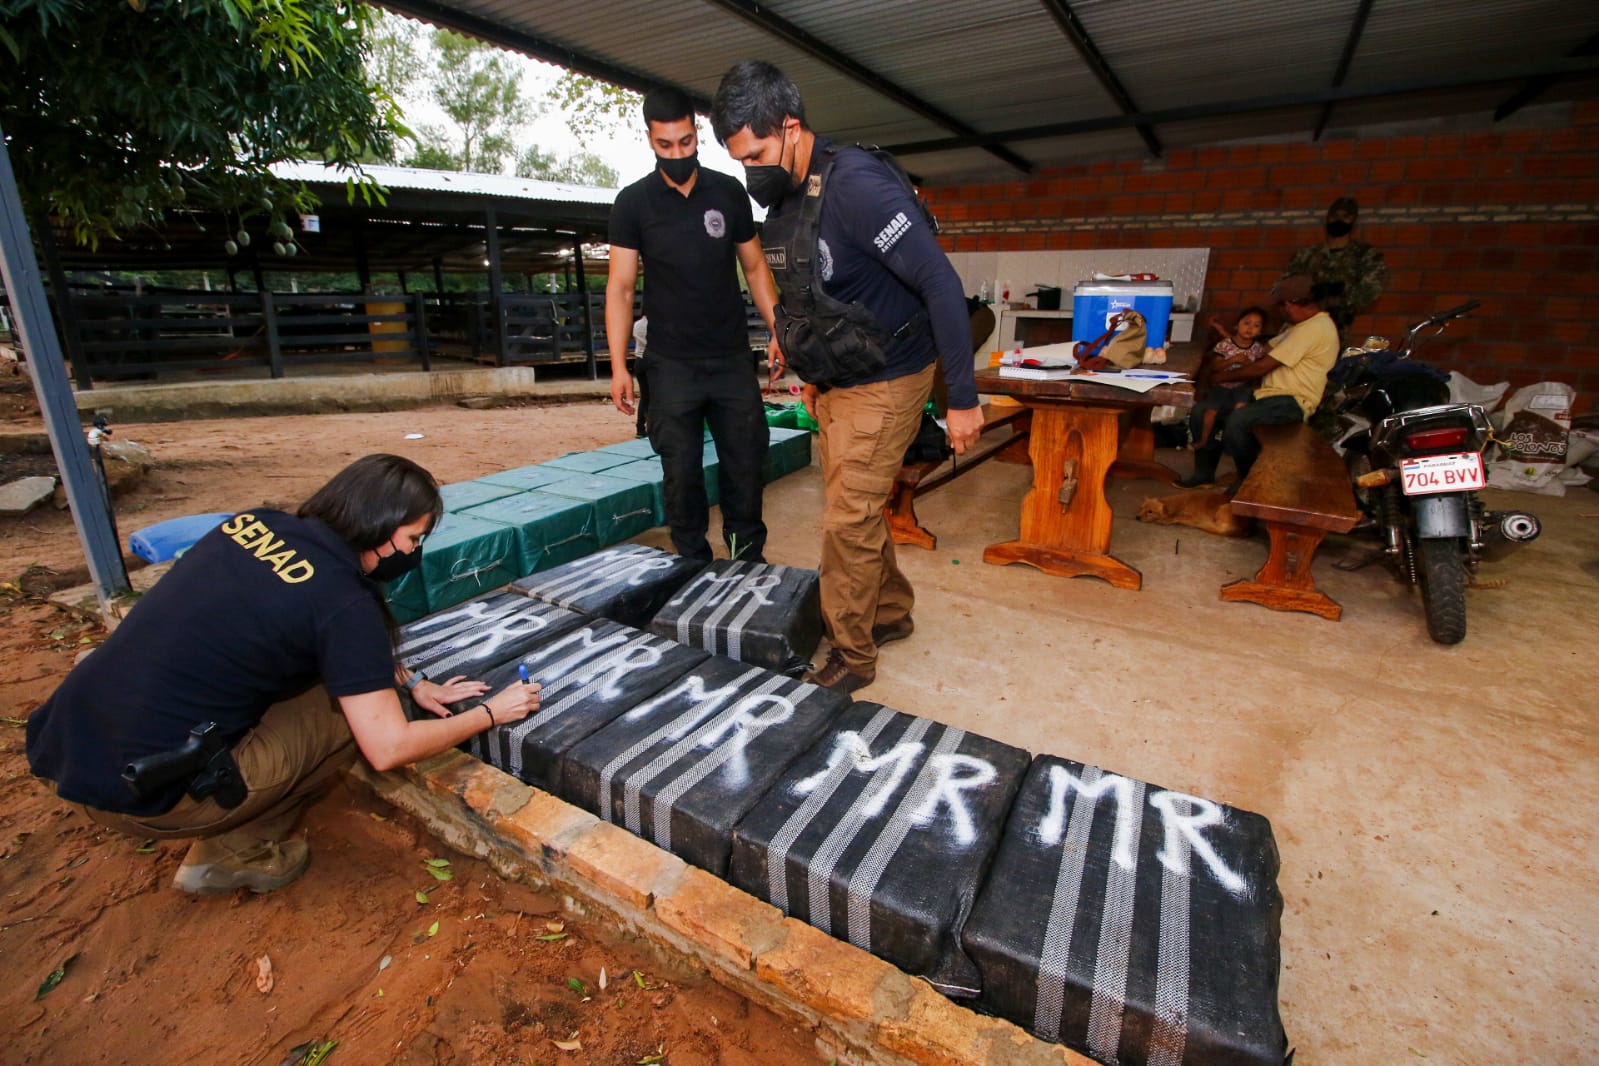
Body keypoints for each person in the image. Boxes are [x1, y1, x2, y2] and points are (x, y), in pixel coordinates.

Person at [25, 454, 540, 895]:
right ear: (378, 525)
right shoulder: (344, 603)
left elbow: (304, 624)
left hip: (69, 748)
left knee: (338, 683)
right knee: (346, 717)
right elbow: (388, 747)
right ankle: (233, 854)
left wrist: (410, 681)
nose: (414, 552)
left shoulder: (255, 524)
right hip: (149, 797)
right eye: (413, 537)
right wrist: (491, 713)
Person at [710, 60, 983, 694]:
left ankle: (853, 656)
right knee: (853, 511)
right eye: (740, 161)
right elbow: (808, 294)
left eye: (757, 154)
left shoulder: (857, 185)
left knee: (845, 521)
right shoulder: (786, 196)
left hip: (889, 376)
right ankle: (890, 613)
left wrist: (964, 399)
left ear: (791, 125)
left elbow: (941, 283)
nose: (752, 172)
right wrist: (810, 369)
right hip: (837, 377)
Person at [606, 86, 781, 564]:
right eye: (667, 145)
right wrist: (619, 365)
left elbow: (756, 267)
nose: (678, 153)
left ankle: (747, 557)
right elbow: (620, 288)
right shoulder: (633, 204)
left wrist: (777, 329)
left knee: (745, 462)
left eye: (686, 142)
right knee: (680, 472)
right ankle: (691, 563)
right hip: (670, 364)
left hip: (729, 358)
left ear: (695, 133)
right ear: (649, 140)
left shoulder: (727, 192)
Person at [1179, 276, 1339, 489]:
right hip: (1265, 395)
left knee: (1239, 421)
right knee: (1202, 411)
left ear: (1289, 305)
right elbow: (1261, 351)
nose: (1278, 312)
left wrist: (1219, 377)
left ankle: (1248, 483)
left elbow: (1261, 367)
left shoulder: (1315, 328)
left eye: (1279, 307)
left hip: (1292, 400)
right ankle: (1204, 473)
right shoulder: (1295, 327)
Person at [1284, 195, 1388, 336]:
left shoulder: (1365, 255)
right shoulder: (1307, 254)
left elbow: (1370, 291)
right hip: (1299, 326)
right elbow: (1285, 288)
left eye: (1345, 216)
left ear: (1353, 220)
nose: (1339, 220)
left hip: (1336, 329)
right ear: (1327, 218)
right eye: (1334, 215)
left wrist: (1338, 292)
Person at [1190, 306, 1271, 449]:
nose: (1250, 328)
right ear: (1237, 325)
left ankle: (1231, 441)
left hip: (1242, 387)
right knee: (1210, 412)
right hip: (1222, 386)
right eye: (1246, 323)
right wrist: (1233, 360)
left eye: (1256, 325)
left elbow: (1259, 369)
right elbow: (1215, 367)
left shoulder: (1258, 349)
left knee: (1240, 411)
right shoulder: (1225, 345)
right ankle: (1203, 440)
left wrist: (1249, 365)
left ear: (1260, 331)